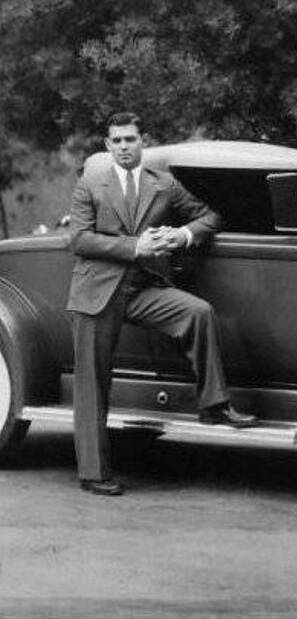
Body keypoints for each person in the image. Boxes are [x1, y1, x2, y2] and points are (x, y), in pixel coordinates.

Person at [67, 111, 255, 496]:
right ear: (108, 145)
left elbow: (210, 217)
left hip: (143, 288)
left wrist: (182, 234)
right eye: (117, 141)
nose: (124, 147)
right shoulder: (91, 183)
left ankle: (214, 405)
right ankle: (94, 473)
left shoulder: (164, 183)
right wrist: (135, 246)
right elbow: (79, 239)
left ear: (143, 142)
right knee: (93, 382)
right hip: (96, 292)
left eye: (130, 139)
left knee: (198, 313)